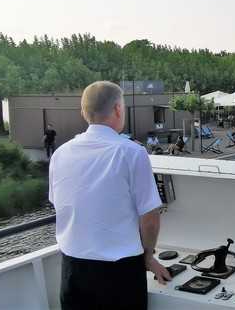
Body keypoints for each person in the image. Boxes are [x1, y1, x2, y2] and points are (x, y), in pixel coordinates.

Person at [48, 81, 170, 310]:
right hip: (119, 275)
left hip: (72, 271)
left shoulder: (60, 154)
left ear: (84, 112)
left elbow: (61, 204)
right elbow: (150, 218)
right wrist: (148, 256)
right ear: (117, 109)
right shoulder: (132, 153)